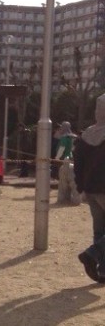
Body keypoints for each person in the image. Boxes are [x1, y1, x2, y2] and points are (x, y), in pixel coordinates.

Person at [75, 93, 105, 282]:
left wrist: (80, 187)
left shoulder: (87, 134)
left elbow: (78, 163)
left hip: (90, 188)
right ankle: (92, 255)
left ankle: (101, 271)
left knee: (100, 230)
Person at [54, 121, 80, 205]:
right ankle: (76, 199)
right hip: (75, 161)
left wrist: (57, 158)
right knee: (74, 181)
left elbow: (61, 149)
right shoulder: (75, 137)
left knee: (63, 182)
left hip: (65, 161)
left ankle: (63, 199)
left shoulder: (65, 138)